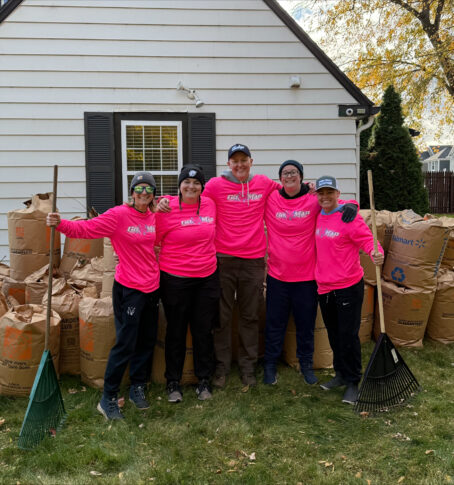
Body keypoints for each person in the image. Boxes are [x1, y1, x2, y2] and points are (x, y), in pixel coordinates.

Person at [158, 144, 281, 388]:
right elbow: (189, 196)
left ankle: (248, 367)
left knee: (249, 315)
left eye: (243, 160)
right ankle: (221, 367)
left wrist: (339, 200)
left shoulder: (264, 183)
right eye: (234, 161)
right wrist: (164, 201)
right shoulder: (214, 185)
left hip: (254, 260)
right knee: (221, 317)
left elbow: (291, 191)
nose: (239, 165)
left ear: (251, 161)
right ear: (228, 164)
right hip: (222, 260)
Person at [47, 172, 160, 420]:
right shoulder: (118, 215)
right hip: (129, 288)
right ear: (132, 192)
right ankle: (107, 398)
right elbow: (87, 228)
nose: (144, 193)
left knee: (146, 340)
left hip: (152, 287)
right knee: (125, 343)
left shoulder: (153, 216)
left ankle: (137, 387)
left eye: (149, 189)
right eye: (139, 189)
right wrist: (61, 223)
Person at [263, 161, 358, 386]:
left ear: (301, 176)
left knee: (306, 325)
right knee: (275, 324)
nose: (289, 176)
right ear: (280, 178)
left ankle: (305, 364)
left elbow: (334, 202)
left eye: (294, 172)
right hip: (277, 276)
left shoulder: (313, 199)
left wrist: (352, 203)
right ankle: (270, 366)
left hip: (306, 278)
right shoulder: (271, 199)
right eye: (285, 173)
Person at [314, 175, 384, 404]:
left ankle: (354, 381)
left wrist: (376, 252)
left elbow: (368, 241)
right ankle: (340, 374)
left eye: (329, 193)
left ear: (337, 194)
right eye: (321, 193)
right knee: (334, 335)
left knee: (348, 336)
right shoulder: (317, 214)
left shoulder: (348, 217)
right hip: (324, 287)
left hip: (347, 286)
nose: (325, 197)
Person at [155, 165, 219, 403]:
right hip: (175, 279)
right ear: (179, 185)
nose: (191, 187)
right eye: (186, 182)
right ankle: (173, 382)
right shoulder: (166, 207)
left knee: (204, 331)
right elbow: (153, 238)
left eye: (196, 183)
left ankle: (204, 380)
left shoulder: (211, 205)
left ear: (202, 187)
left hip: (206, 278)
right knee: (176, 331)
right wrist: (156, 205)